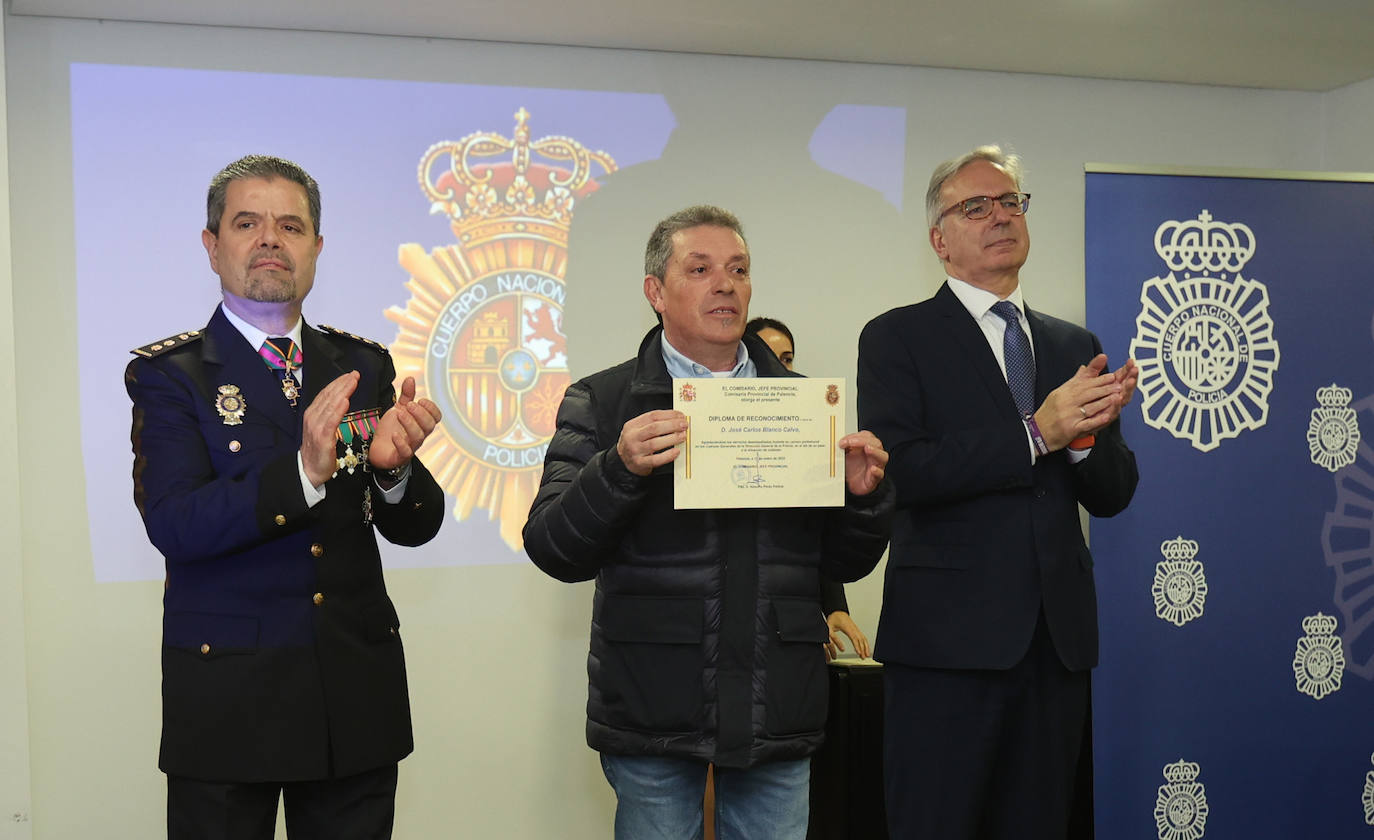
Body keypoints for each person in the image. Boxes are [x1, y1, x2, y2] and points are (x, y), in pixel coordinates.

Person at [524, 205, 894, 840]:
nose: (726, 284)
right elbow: (555, 547)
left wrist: (861, 499)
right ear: (655, 292)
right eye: (700, 269)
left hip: (776, 703)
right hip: (653, 705)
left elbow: (838, 565)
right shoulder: (604, 400)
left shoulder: (803, 404)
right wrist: (619, 468)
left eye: (739, 270)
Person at [126, 155, 446, 840]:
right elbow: (176, 524)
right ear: (212, 246)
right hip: (229, 703)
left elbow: (415, 527)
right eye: (247, 223)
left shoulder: (362, 365)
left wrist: (393, 473)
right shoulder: (171, 375)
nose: (271, 239)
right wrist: (302, 474)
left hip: (353, 698)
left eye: (291, 226)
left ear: (317, 248)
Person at [856, 146, 1139, 839]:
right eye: (975, 207)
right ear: (939, 240)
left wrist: (1079, 441)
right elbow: (906, 471)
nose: (1000, 217)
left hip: (1055, 644)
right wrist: (1038, 433)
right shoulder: (899, 337)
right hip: (945, 647)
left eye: (1011, 202)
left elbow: (1113, 493)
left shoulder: (1075, 344)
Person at [745, 315, 871, 661]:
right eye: (768, 357)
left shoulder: (810, 428)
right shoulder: (715, 425)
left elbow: (817, 525)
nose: (780, 369)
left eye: (786, 359)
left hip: (788, 618)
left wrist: (833, 606)